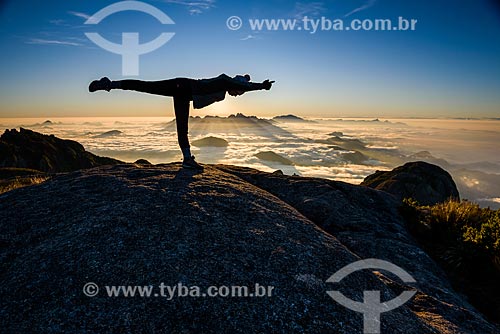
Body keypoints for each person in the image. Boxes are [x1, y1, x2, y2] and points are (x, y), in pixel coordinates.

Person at [89, 74, 274, 170]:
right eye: (238, 92)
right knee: (146, 86)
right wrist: (262, 87)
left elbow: (241, 84)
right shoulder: (225, 81)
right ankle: (109, 84)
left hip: (184, 92)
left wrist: (250, 83)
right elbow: (243, 85)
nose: (237, 95)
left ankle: (187, 159)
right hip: (182, 86)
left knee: (181, 126)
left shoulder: (225, 86)